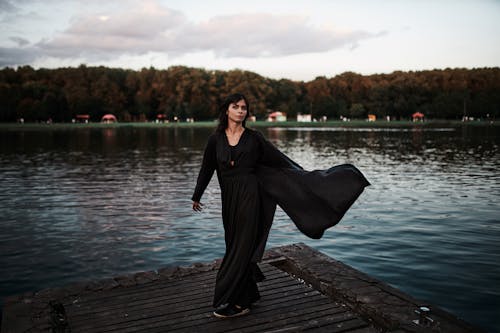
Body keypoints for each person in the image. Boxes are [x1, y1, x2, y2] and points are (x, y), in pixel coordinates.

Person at [192, 93, 370, 319]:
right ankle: (247, 295)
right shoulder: (215, 140)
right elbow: (207, 169)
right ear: (226, 110)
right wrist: (197, 195)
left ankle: (231, 299)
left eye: (244, 108)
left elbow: (280, 161)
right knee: (235, 245)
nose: (240, 111)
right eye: (235, 107)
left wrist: (308, 179)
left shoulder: (254, 139)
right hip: (229, 201)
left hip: (252, 198)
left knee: (240, 248)